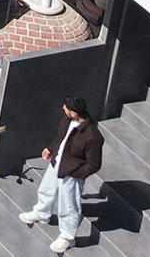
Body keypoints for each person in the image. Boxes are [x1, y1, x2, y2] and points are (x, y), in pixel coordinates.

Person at [21, 96, 102, 253]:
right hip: (56, 164)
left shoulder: (92, 136)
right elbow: (60, 139)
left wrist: (76, 174)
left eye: (66, 108)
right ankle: (42, 213)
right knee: (46, 189)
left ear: (73, 112)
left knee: (69, 205)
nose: (63, 109)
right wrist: (50, 148)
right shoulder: (66, 120)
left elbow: (94, 164)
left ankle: (67, 237)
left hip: (72, 174)